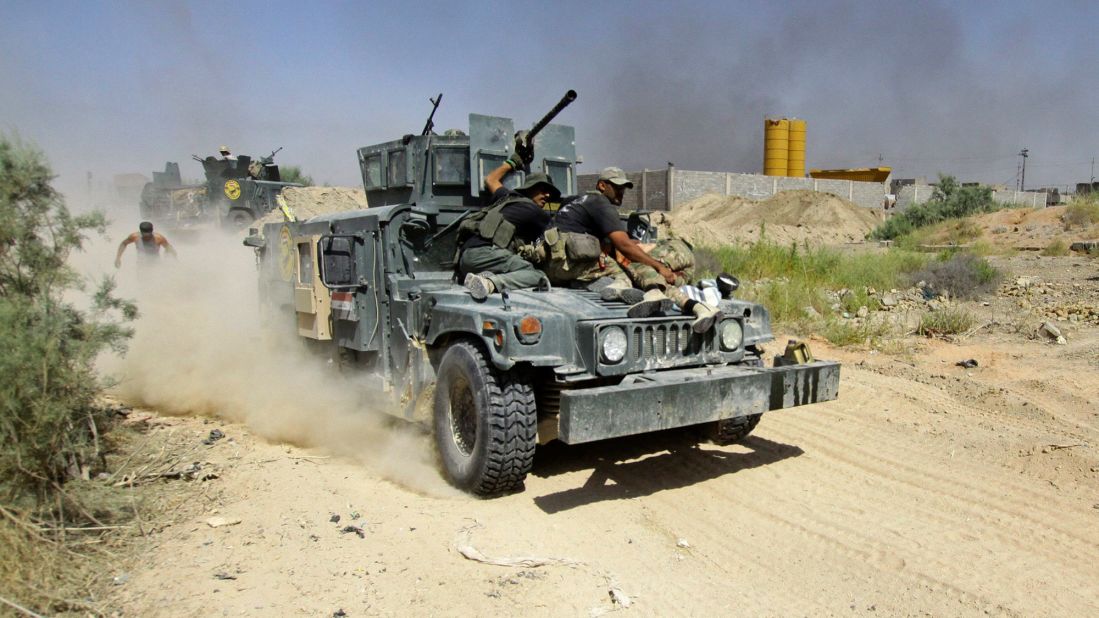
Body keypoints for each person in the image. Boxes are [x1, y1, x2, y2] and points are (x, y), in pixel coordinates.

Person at [546, 166, 720, 333]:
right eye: (617, 187)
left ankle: (635, 288)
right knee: (631, 261)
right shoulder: (600, 202)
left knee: (624, 259)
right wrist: (659, 267)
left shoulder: (574, 201)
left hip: (554, 268)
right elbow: (624, 246)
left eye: (624, 188)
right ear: (602, 185)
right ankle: (665, 296)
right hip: (575, 262)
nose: (622, 191)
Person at [458, 158, 557, 300]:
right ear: (530, 189)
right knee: (538, 275)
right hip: (486, 254)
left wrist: (512, 162)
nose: (548, 195)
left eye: (550, 193)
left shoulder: (506, 197)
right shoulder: (536, 212)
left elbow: (491, 179)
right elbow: (557, 236)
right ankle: (488, 284)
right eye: (543, 190)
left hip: (466, 260)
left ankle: (480, 278)